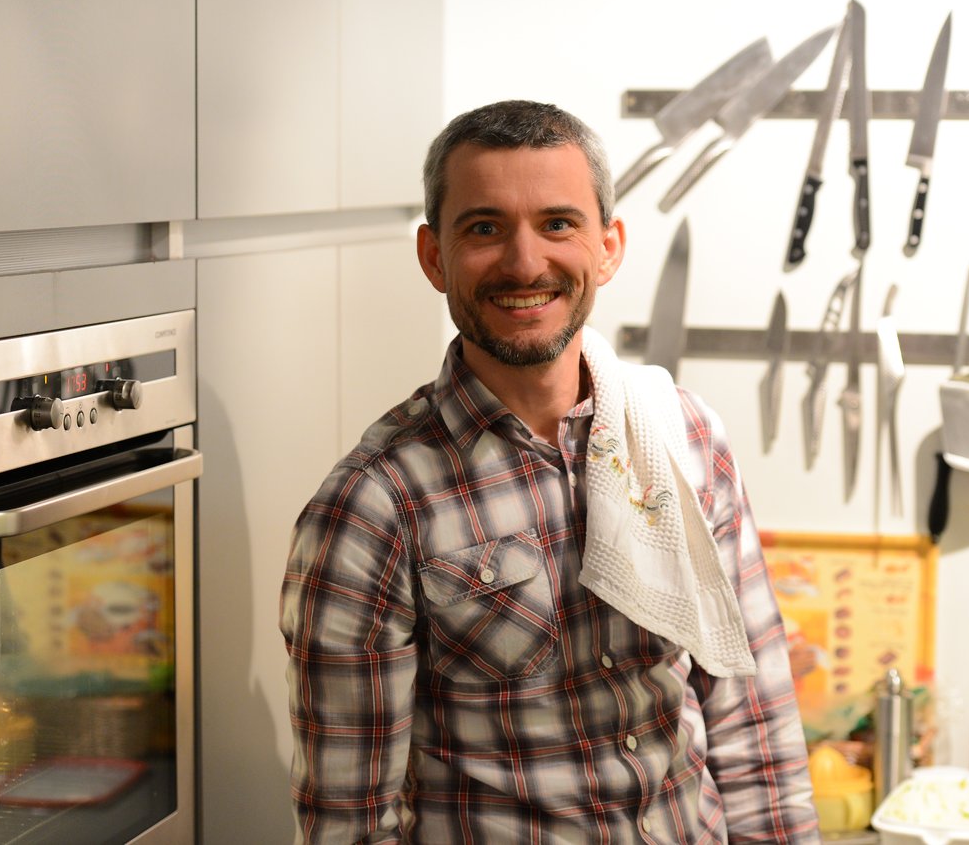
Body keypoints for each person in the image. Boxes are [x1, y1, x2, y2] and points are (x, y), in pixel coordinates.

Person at [280, 99, 820, 844]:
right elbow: (351, 825)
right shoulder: (372, 508)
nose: (525, 263)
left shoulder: (685, 436)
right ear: (434, 257)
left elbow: (752, 723)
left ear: (608, 245)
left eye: (557, 224)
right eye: (484, 229)